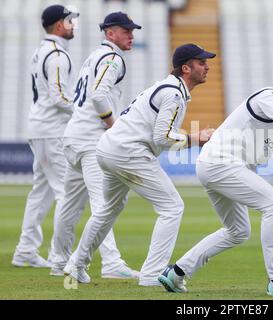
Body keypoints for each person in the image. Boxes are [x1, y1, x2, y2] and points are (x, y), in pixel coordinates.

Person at [158, 68, 273, 296]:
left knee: (238, 231)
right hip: (221, 163)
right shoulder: (269, 96)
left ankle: (177, 272)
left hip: (215, 166)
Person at [63, 44, 216, 285]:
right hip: (128, 152)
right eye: (201, 62)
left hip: (108, 147)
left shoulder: (168, 88)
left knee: (107, 210)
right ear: (186, 68)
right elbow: (162, 138)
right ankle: (152, 274)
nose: (207, 67)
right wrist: (196, 138)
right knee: (172, 206)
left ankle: (76, 265)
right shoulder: (173, 93)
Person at [50, 12, 141, 279]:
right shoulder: (112, 58)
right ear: (110, 33)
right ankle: (111, 263)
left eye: (132, 31)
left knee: (69, 205)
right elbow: (99, 96)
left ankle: (58, 261)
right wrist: (114, 127)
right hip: (91, 140)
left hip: (73, 137)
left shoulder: (95, 55)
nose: (131, 35)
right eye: (126, 31)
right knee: (105, 204)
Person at [12, 5, 79, 269]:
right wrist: (88, 111)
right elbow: (60, 97)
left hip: (40, 127)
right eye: (70, 21)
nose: (73, 25)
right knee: (67, 193)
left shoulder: (43, 50)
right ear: (59, 25)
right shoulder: (57, 55)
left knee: (41, 192)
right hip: (52, 129)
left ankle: (26, 250)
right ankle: (60, 257)